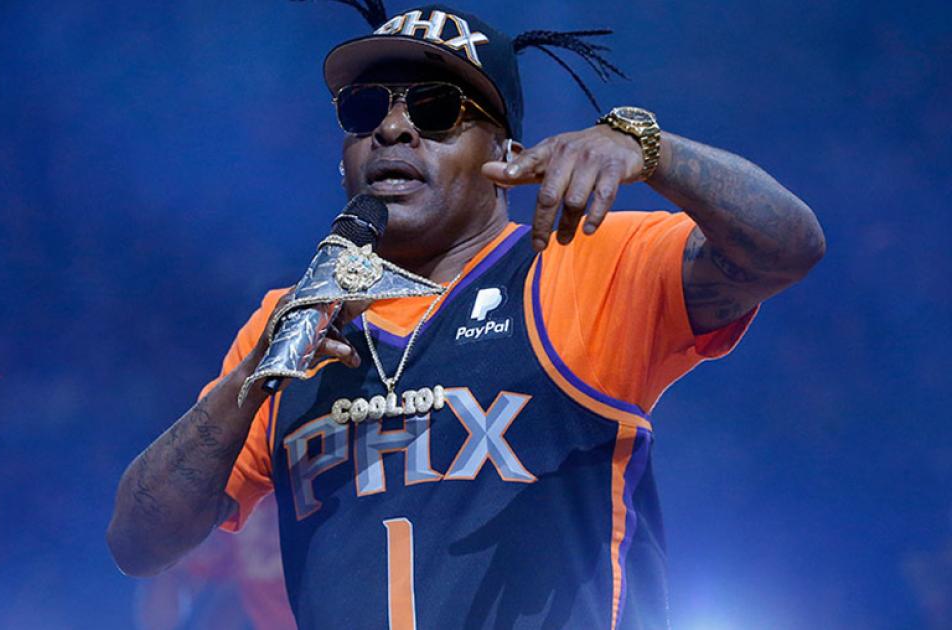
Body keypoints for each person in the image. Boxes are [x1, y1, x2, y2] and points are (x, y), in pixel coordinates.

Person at [107, 3, 825, 628]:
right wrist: (257, 373)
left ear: (506, 154)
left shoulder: (578, 263)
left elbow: (787, 249)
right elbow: (138, 543)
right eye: (365, 111)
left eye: (435, 110)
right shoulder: (292, 323)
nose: (393, 129)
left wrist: (652, 149)